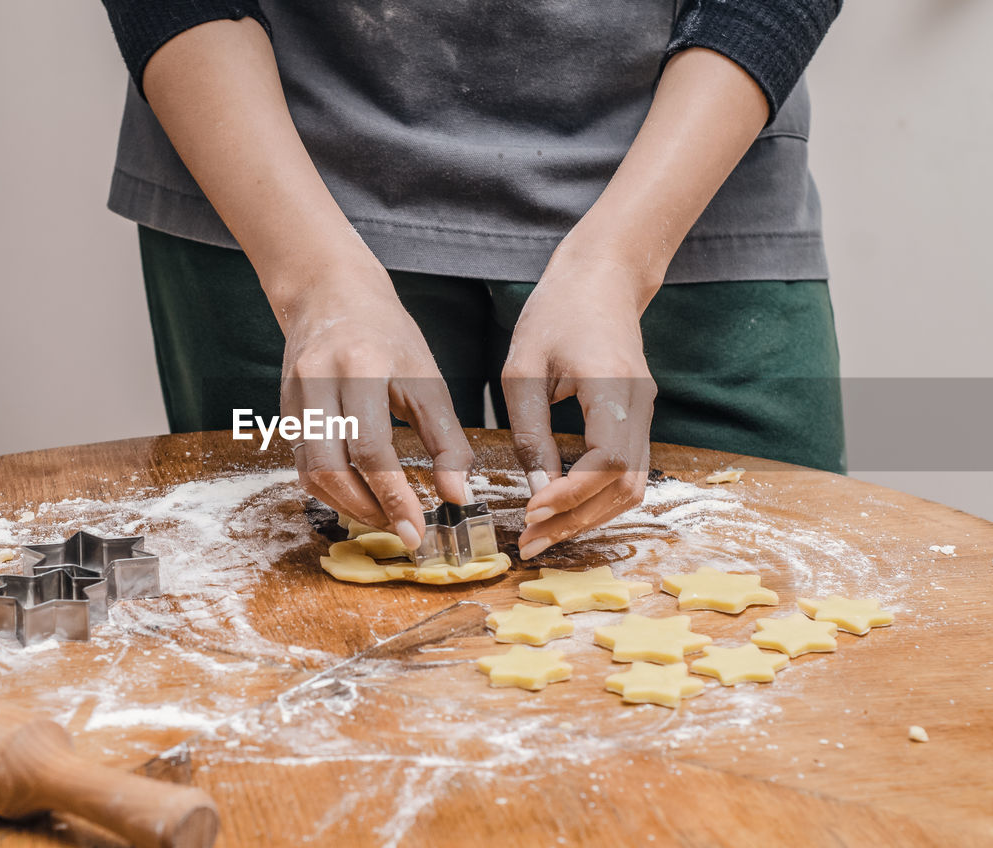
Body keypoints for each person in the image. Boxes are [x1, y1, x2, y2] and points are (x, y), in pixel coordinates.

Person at [98, 0, 845, 560]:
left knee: (766, 612)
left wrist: (617, 263)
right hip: (278, 165)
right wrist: (315, 282)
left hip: (690, 156)